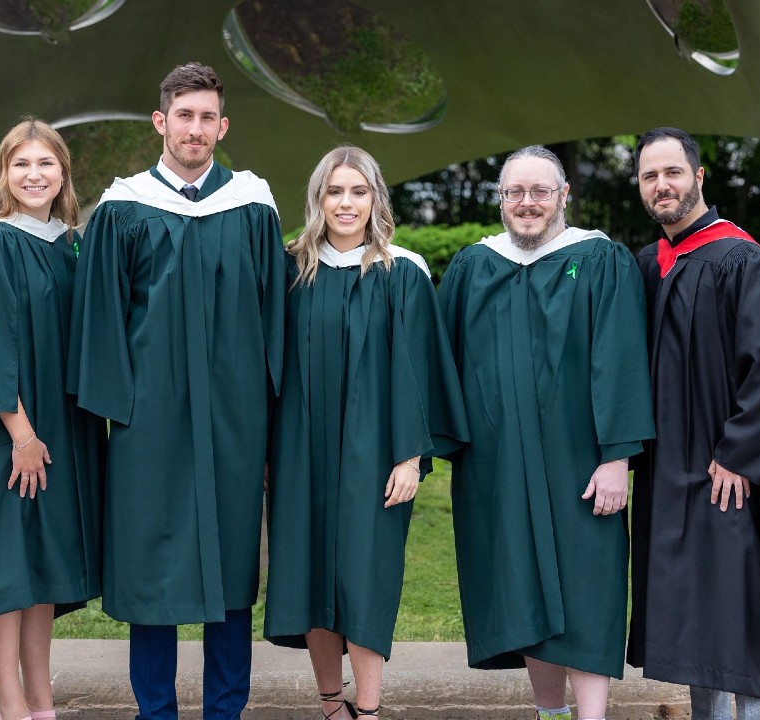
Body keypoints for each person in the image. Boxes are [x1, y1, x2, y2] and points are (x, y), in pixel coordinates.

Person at [67, 61, 284, 720]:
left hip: (235, 417)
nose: (195, 129)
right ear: (161, 121)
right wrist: (120, 413)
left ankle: (226, 709)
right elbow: (99, 320)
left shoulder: (251, 206)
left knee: (232, 566)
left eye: (206, 117)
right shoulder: (125, 207)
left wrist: (269, 413)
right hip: (148, 419)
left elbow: (274, 315)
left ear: (223, 124)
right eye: (182, 116)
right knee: (149, 565)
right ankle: (153, 710)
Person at [438, 146, 654, 720]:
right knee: (521, 585)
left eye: (540, 191)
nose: (527, 203)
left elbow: (622, 358)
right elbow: (441, 362)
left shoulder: (601, 260)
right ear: (502, 200)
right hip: (497, 463)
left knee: (588, 585)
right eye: (515, 193)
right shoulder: (473, 267)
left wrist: (617, 459)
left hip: (579, 459)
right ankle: (548, 713)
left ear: (563, 196)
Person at [264, 146, 469, 720]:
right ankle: (332, 709)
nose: (346, 203)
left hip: (375, 456)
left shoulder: (402, 273)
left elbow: (419, 370)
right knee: (310, 579)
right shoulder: (291, 270)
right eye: (334, 191)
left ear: (376, 197)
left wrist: (410, 456)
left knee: (365, 579)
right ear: (317, 199)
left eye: (358, 191)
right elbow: (268, 369)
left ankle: (370, 710)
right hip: (300, 452)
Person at [627, 127, 760, 720]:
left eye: (673, 172)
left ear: (699, 177)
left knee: (737, 610)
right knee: (690, 618)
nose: (662, 185)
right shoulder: (649, 266)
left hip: (724, 470)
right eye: (650, 176)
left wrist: (739, 453)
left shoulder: (742, 261)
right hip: (669, 474)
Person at [0, 118, 104, 720]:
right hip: (4, 432)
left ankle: (42, 702)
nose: (35, 175)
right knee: (4, 570)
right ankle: (10, 705)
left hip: (58, 430)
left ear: (63, 172)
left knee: (41, 569)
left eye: (46, 164)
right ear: (4, 173)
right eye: (21, 164)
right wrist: (22, 433)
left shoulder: (73, 244)